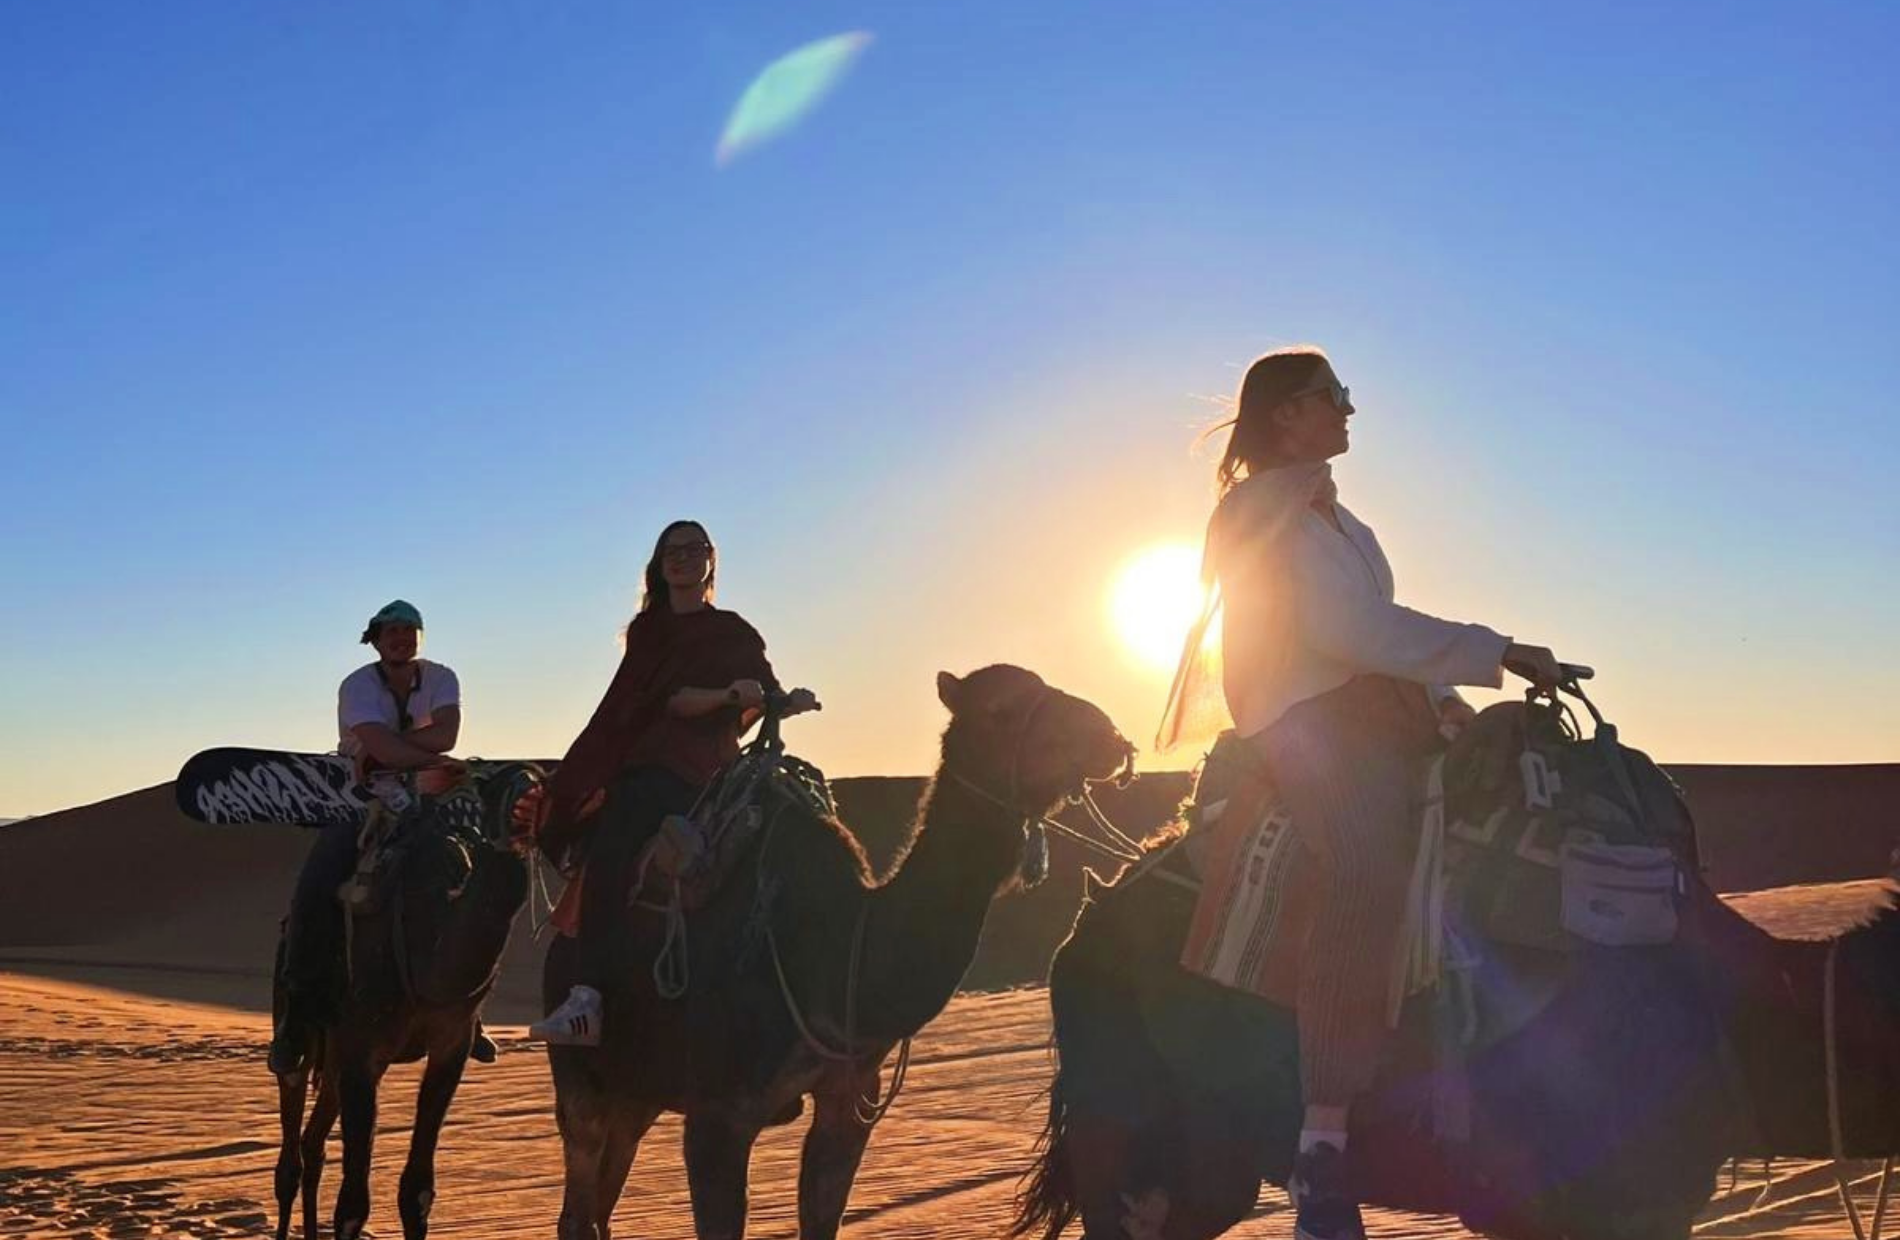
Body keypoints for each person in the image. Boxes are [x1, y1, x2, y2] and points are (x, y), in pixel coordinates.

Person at [1158, 347, 1561, 1240]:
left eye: (1345, 398)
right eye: (1332, 398)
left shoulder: (1346, 524)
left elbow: (1384, 639)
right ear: (1285, 416)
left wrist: (1453, 701)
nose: (1348, 412)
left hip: (1380, 714)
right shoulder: (1261, 512)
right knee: (1365, 870)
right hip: (1308, 726)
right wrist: (1496, 651)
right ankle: (1323, 1145)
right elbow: (1344, 630)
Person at [527, 520, 817, 1045]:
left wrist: (786, 700)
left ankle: (802, 1011)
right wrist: (727, 696)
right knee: (614, 850)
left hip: (718, 772)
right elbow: (668, 701)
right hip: (656, 769)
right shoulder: (649, 632)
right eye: (671, 551)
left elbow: (761, 693)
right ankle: (586, 998)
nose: (681, 558)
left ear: (711, 559)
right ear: (659, 566)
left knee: (801, 835)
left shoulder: (734, 631)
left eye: (693, 549)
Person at [268, 600, 497, 1073]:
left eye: (410, 629)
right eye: (392, 631)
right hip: (359, 799)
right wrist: (397, 752)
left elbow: (447, 737)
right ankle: (296, 1018)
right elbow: (386, 742)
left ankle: (468, 1013)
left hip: (430, 798)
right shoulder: (357, 685)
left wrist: (389, 753)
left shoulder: (441, 677)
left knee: (475, 880)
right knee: (315, 889)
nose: (402, 637)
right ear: (375, 639)